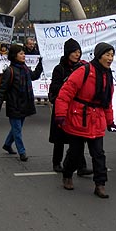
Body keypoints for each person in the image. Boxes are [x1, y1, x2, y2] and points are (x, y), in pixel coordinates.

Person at [55, 42, 116, 199]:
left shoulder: (108, 75)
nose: (110, 58)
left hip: (97, 119)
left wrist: (110, 121)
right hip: (78, 117)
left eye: (112, 55)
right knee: (75, 152)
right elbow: (65, 93)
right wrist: (60, 115)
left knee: (99, 154)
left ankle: (100, 184)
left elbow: (107, 101)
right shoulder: (84, 71)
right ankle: (67, 174)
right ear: (99, 55)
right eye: (107, 54)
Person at [48, 38, 93, 175]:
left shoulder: (81, 68)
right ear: (68, 53)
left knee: (77, 138)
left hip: (76, 108)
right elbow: (54, 88)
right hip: (62, 105)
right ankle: (57, 162)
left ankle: (81, 166)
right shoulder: (59, 68)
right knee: (59, 138)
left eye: (79, 52)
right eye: (74, 52)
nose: (77, 55)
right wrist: (67, 83)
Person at [0, 44, 43, 161]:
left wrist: (41, 64)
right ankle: (22, 152)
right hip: (14, 105)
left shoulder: (25, 68)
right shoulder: (9, 71)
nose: (23, 55)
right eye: (21, 54)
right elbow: (2, 90)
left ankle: (7, 144)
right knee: (17, 129)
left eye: (23, 53)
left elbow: (34, 76)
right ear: (14, 56)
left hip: (24, 104)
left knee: (17, 128)